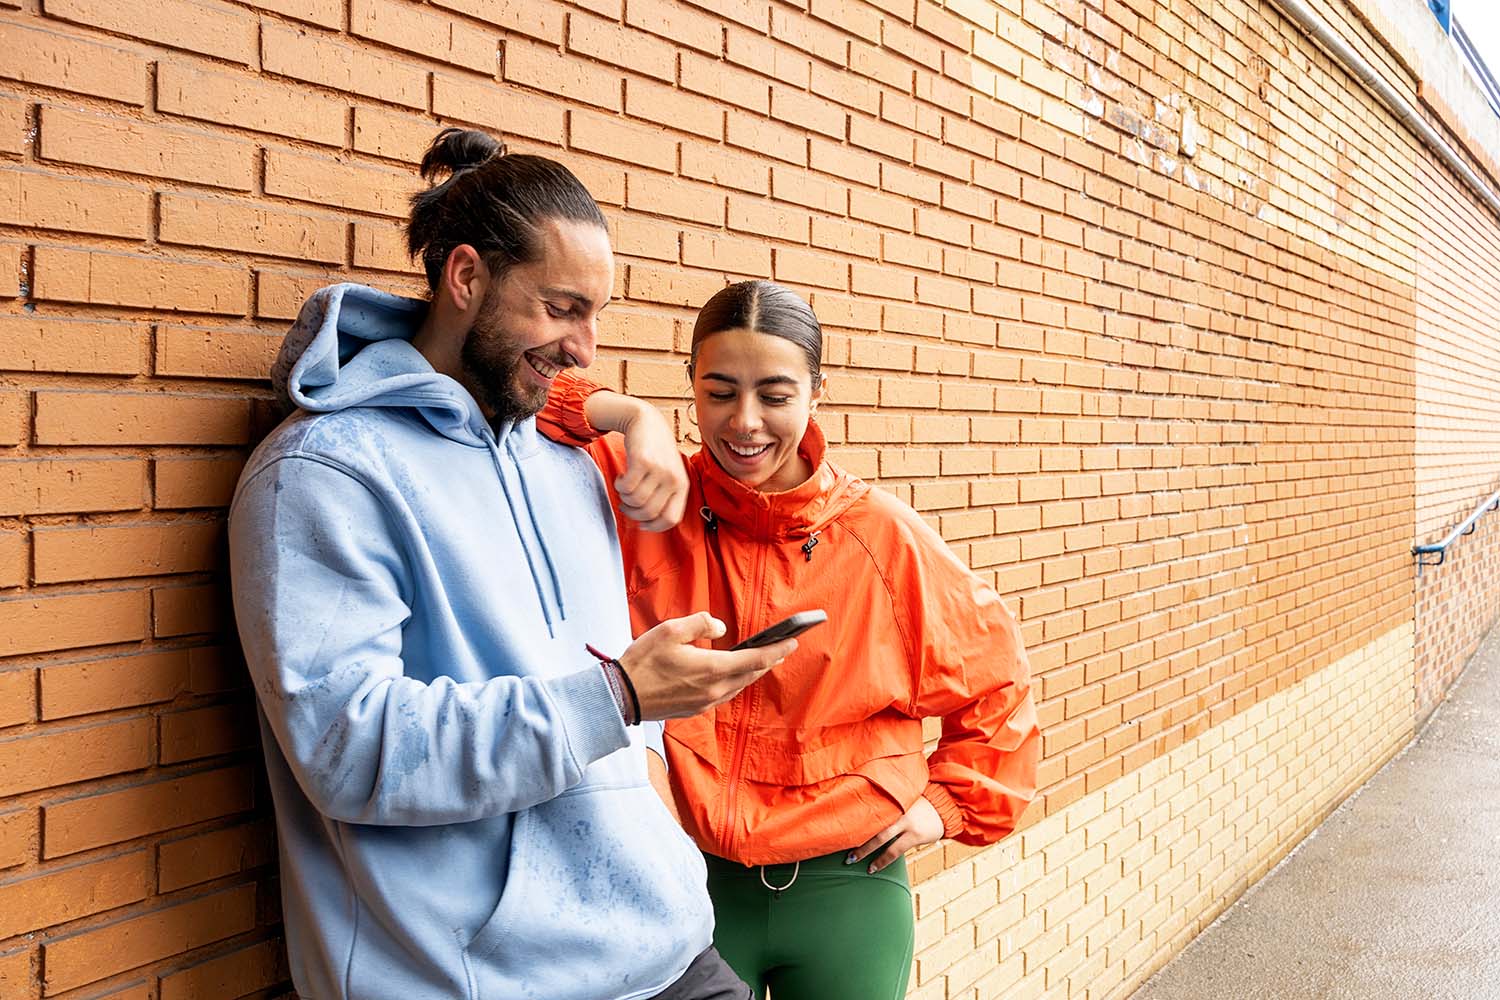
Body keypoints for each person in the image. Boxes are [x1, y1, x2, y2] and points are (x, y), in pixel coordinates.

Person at [228, 129, 796, 1000]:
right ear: (466, 279)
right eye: (563, 308)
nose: (586, 347)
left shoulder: (567, 465)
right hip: (483, 981)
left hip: (673, 953)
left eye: (596, 314)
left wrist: (660, 814)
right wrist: (621, 698)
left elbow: (619, 711)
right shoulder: (323, 474)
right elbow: (348, 745)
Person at [538, 280, 1042, 1000]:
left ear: (816, 393)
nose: (744, 422)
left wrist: (947, 805)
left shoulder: (884, 538)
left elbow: (998, 688)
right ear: (691, 388)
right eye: (719, 391)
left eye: (774, 395)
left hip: (846, 890)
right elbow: (517, 391)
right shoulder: (645, 495)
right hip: (686, 879)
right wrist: (631, 416)